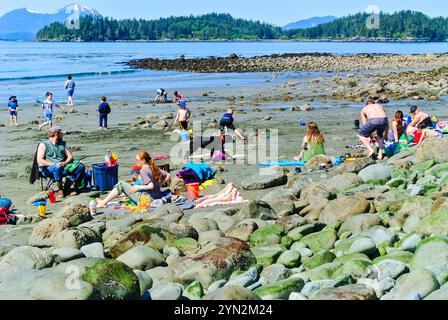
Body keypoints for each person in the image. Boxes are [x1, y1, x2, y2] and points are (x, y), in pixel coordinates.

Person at [93, 151, 171, 210]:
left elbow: (150, 186)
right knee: (126, 189)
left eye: (137, 160)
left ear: (143, 160)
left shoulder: (143, 170)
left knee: (121, 184)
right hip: (157, 196)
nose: (135, 162)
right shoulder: (153, 167)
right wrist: (159, 184)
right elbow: (168, 175)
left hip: (147, 199)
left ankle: (103, 203)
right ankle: (104, 201)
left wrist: (138, 187)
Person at [37, 126, 85, 197]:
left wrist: (65, 162)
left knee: (80, 166)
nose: (62, 135)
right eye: (61, 133)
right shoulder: (44, 144)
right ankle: (60, 189)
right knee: (57, 167)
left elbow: (70, 156)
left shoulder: (62, 144)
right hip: (49, 169)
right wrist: (54, 164)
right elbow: (39, 160)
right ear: (56, 133)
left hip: (63, 166)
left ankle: (67, 186)